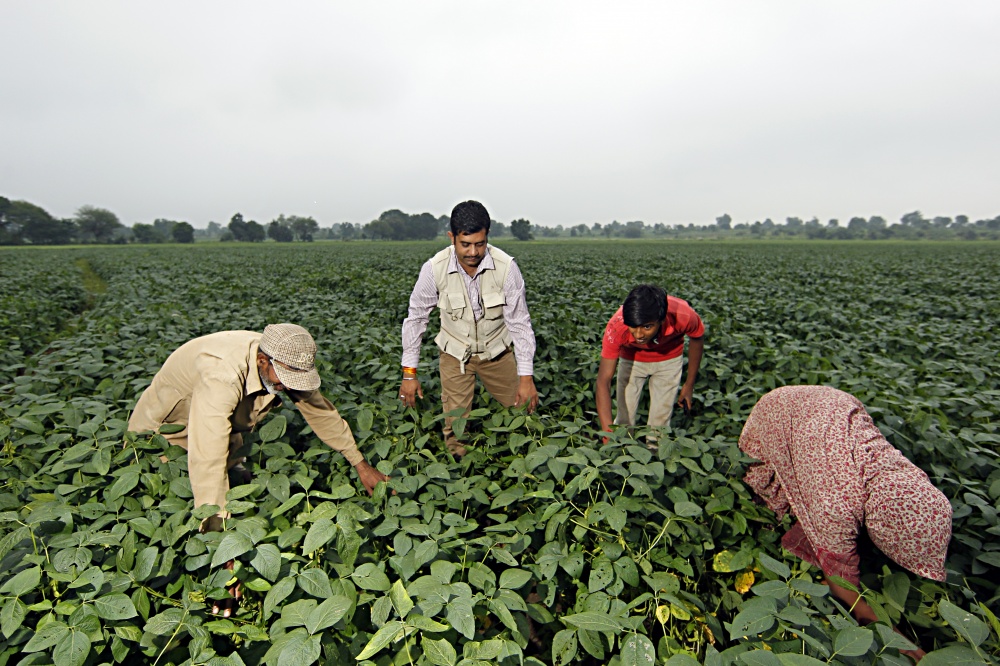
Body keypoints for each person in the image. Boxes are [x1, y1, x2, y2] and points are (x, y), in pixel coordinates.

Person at [128, 324, 389, 615]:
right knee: (168, 513)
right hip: (163, 437)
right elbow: (208, 461)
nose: (289, 387)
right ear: (263, 361)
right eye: (285, 379)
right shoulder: (222, 375)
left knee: (232, 488)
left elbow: (319, 410)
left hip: (220, 427)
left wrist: (360, 463)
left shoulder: (283, 357)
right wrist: (223, 550)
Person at [739, 385, 953, 662]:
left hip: (833, 406)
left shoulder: (904, 474)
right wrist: (899, 641)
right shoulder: (835, 505)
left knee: (816, 488)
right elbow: (840, 584)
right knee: (782, 501)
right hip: (780, 412)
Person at [399, 200, 538, 456]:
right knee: (455, 427)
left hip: (497, 353)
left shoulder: (506, 268)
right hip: (455, 355)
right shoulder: (434, 269)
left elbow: (519, 323)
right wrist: (409, 374)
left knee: (524, 411)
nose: (473, 252)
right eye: (465, 244)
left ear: (487, 236)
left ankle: (523, 463)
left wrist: (526, 378)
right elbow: (416, 319)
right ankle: (459, 469)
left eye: (480, 243)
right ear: (451, 237)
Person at [595, 284, 704, 440]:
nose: (639, 334)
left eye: (647, 327)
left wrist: (689, 385)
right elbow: (603, 380)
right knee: (624, 418)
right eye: (633, 326)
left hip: (669, 360)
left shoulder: (683, 314)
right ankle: (622, 449)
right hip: (632, 359)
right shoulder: (617, 326)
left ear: (662, 320)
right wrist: (608, 436)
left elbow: (697, 338)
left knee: (660, 422)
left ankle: (654, 452)